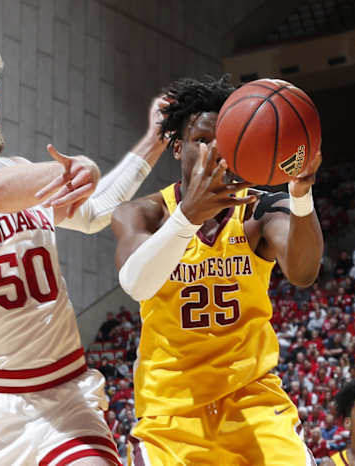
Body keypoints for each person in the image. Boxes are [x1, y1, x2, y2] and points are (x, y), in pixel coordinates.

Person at [0, 38, 166, 465]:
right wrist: (78, 166)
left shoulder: (21, 174)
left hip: (63, 396)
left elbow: (96, 211)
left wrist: (154, 140)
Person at [111, 75, 324, 465]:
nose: (213, 151)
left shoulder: (258, 210)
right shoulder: (145, 213)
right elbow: (135, 283)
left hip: (253, 403)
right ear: (178, 147)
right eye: (201, 140)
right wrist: (188, 217)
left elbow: (304, 271)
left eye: (222, 142)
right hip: (171, 412)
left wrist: (301, 193)